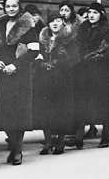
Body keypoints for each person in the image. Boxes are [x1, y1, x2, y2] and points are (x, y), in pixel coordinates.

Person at [0, 0, 39, 165]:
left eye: (14, 6)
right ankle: (14, 144)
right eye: (8, 6)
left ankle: (17, 150)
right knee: (6, 112)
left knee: (19, 112)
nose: (11, 9)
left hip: (20, 75)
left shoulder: (28, 27)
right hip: (2, 75)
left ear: (20, 8)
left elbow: (34, 51)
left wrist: (16, 65)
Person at [70, 2, 109, 148]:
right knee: (81, 103)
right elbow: (76, 47)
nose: (92, 15)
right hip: (84, 72)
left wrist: (103, 56)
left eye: (95, 12)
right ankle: (78, 137)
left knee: (103, 104)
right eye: (90, 12)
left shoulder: (108, 31)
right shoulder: (82, 29)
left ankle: (105, 136)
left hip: (102, 73)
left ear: (101, 15)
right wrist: (82, 57)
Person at [36, 13, 78, 155]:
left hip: (63, 80)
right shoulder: (42, 39)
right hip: (45, 80)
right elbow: (36, 55)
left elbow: (75, 59)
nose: (54, 23)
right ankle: (48, 141)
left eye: (58, 21)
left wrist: (56, 63)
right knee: (45, 111)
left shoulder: (69, 39)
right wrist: (41, 64)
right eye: (52, 21)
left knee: (61, 111)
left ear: (63, 23)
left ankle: (60, 142)